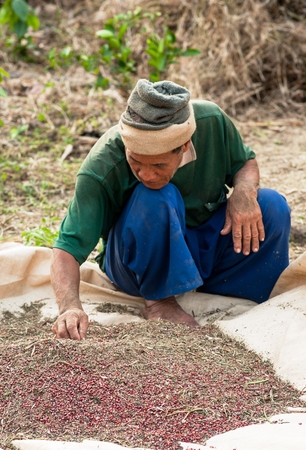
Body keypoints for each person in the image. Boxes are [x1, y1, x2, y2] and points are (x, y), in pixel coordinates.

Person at [51, 78, 291, 340]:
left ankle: (240, 291)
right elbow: (67, 249)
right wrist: (69, 307)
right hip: (136, 262)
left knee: (271, 206)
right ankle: (160, 300)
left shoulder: (211, 121)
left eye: (158, 165)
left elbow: (245, 163)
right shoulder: (100, 166)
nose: (146, 173)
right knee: (155, 195)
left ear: (184, 147)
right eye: (135, 161)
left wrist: (244, 190)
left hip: (201, 245)